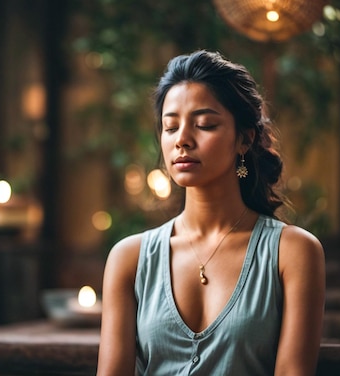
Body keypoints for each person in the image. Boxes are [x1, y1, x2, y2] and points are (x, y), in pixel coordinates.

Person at [97, 50, 325, 376]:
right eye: (170, 127)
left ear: (244, 139)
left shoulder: (293, 252)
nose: (182, 141)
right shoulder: (129, 258)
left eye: (204, 124)